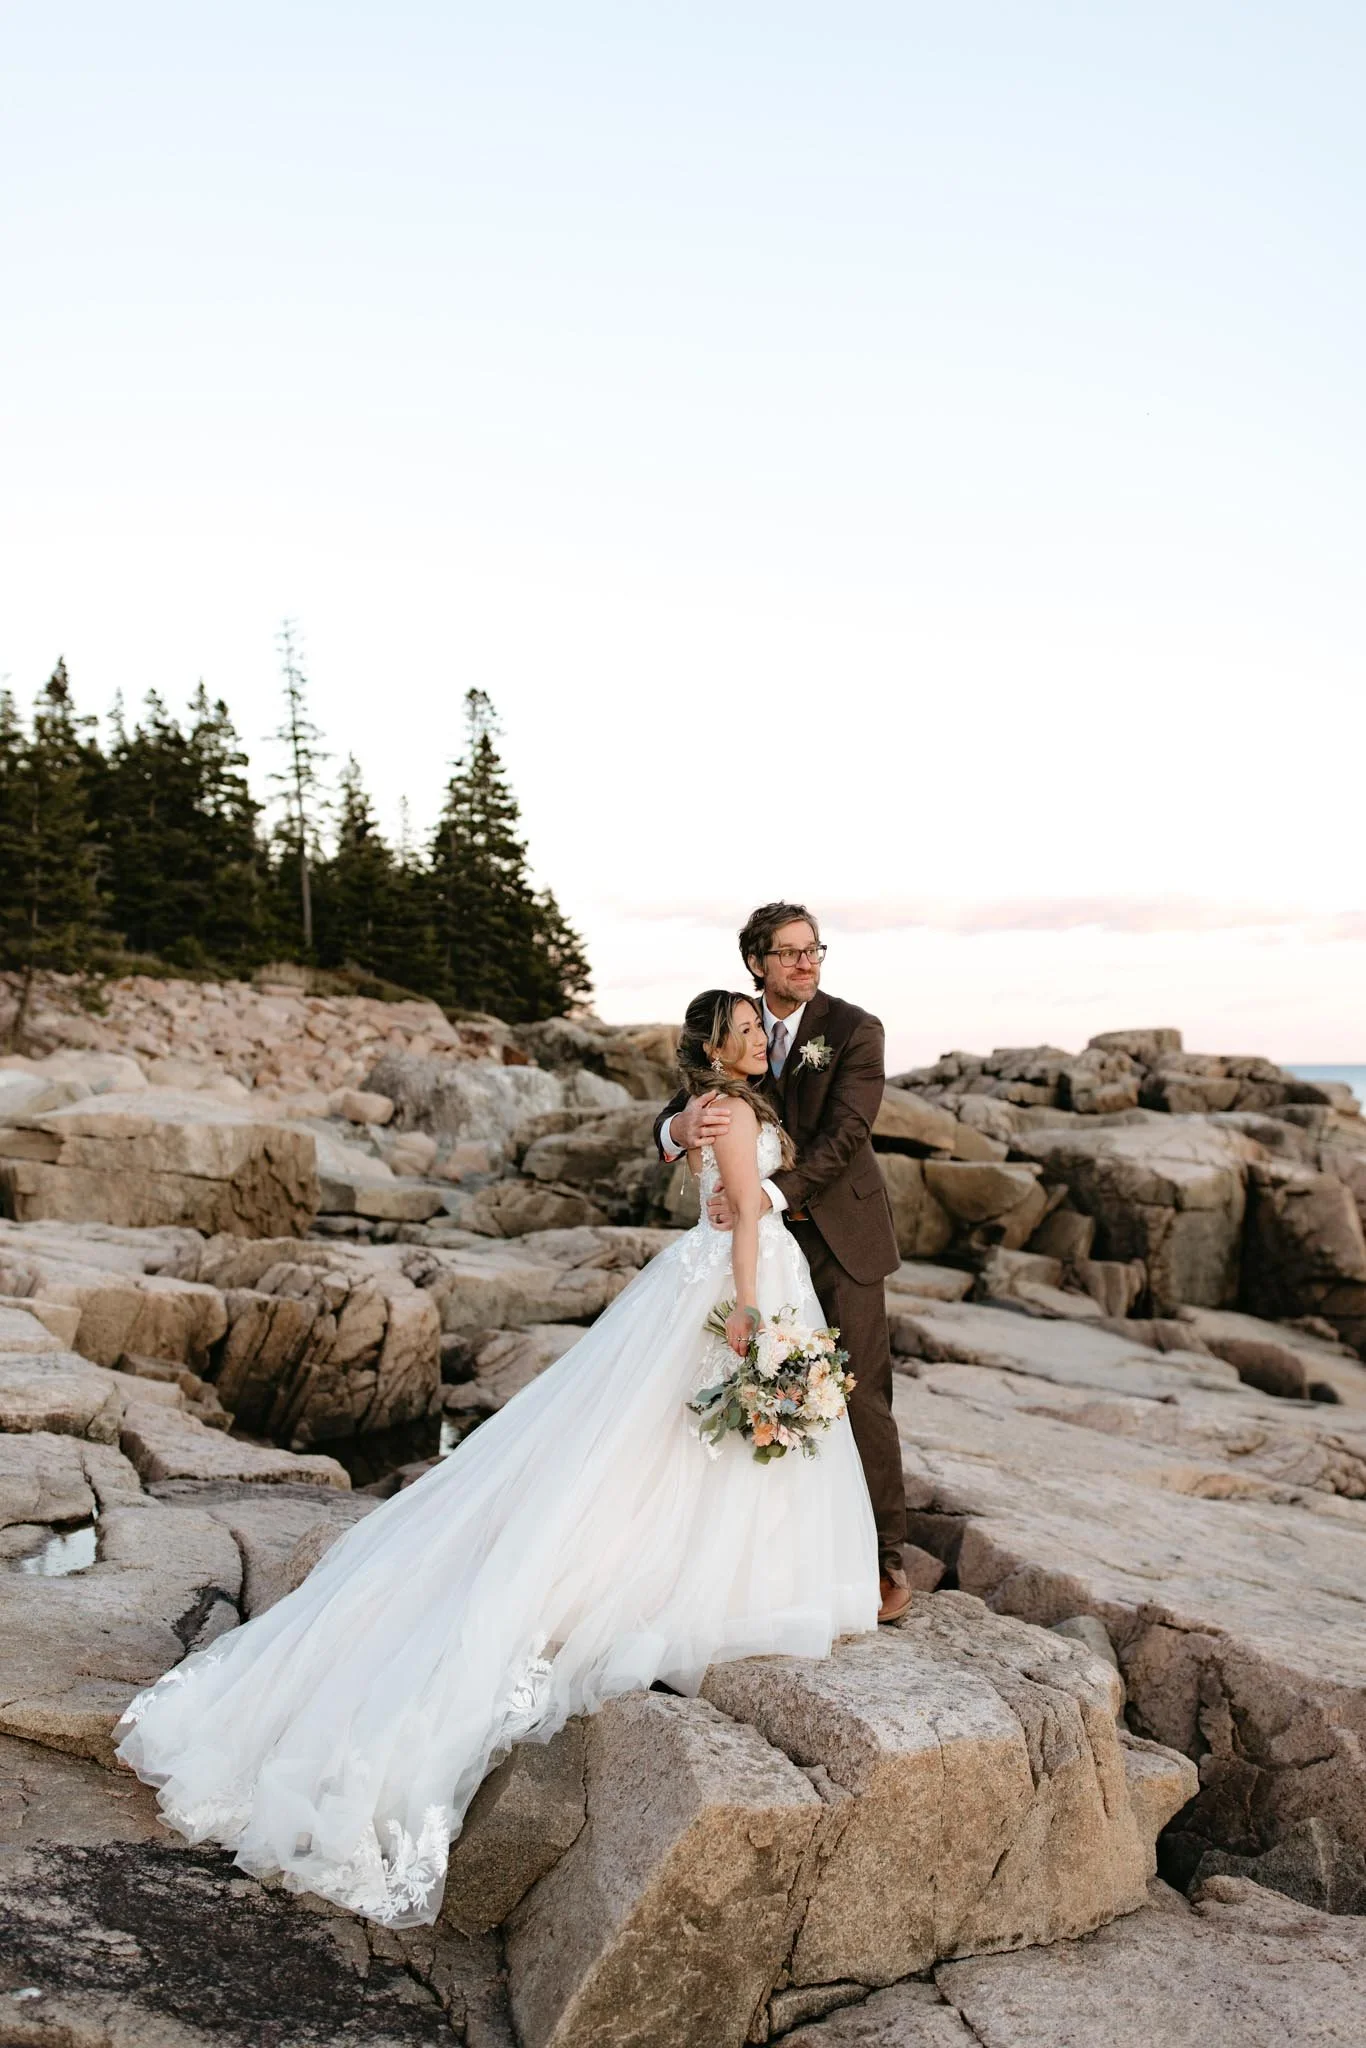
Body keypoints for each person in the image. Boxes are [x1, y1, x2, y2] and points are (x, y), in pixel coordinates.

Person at [115, 988, 878, 1929]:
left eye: (764, 1029)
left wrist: (695, 1141)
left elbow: (723, 1165)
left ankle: (725, 1562)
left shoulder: (729, 1107)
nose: (762, 1037)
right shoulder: (723, 1110)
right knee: (669, 1442)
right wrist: (752, 1312)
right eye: (749, 1030)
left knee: (667, 1441)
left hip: (720, 1272)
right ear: (716, 1047)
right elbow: (746, 1219)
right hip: (736, 1278)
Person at [654, 902, 909, 1623]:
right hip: (761, 1252)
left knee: (857, 1394)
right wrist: (679, 1128)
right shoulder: (735, 1023)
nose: (807, 963)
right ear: (757, 962)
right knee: (756, 1386)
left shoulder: (855, 1030)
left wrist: (762, 1194)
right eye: (790, 952)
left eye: (814, 950)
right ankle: (783, 1552)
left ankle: (884, 1561)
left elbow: (847, 1134)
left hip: (838, 1238)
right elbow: (686, 1104)